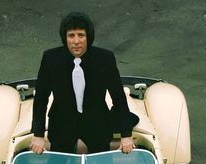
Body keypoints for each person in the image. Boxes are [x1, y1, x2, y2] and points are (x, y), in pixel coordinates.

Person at [30, 12, 138, 155]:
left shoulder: (105, 59)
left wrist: (126, 134)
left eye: (81, 35)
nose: (76, 41)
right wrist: (38, 134)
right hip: (62, 123)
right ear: (65, 38)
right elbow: (41, 98)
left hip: (97, 123)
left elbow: (118, 96)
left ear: (88, 37)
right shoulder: (51, 59)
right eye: (71, 35)